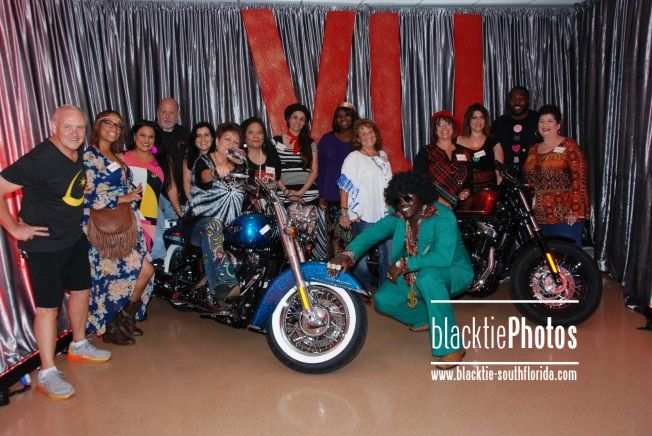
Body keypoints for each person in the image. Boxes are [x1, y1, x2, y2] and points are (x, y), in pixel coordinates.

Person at [0, 105, 111, 400]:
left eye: (80, 127)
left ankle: (78, 344)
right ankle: (47, 372)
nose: (75, 133)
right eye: (67, 127)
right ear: (54, 128)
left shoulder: (76, 152)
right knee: (48, 309)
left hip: (73, 238)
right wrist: (15, 228)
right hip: (46, 246)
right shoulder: (40, 159)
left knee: (81, 292)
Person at [328, 171, 473, 369]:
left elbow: (442, 257)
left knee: (428, 279)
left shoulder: (442, 216)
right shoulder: (399, 217)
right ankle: (426, 318)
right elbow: (372, 233)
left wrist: (404, 265)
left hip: (451, 271)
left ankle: (452, 347)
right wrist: (348, 254)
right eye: (398, 200)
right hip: (413, 273)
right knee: (383, 300)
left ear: (422, 195)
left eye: (408, 198)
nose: (403, 204)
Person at [84, 110, 155, 345]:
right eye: (108, 123)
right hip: (105, 228)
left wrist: (131, 192)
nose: (114, 128)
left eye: (118, 125)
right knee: (112, 277)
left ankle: (126, 316)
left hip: (126, 223)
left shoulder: (114, 155)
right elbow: (87, 196)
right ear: (97, 125)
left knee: (146, 270)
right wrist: (122, 198)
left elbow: (117, 186)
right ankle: (111, 326)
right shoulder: (90, 157)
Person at [186, 122, 246, 301]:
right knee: (213, 226)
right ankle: (224, 284)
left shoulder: (241, 166)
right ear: (217, 141)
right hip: (200, 223)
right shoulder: (203, 161)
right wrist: (215, 172)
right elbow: (203, 176)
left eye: (236, 142)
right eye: (227, 139)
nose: (231, 144)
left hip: (229, 225)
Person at [337, 118, 393, 288]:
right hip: (363, 214)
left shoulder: (382, 155)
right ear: (358, 138)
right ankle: (362, 289)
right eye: (363, 133)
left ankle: (385, 290)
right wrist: (344, 213)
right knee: (360, 257)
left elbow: (389, 183)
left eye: (370, 132)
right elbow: (344, 186)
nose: (368, 136)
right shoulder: (353, 157)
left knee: (389, 255)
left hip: (386, 214)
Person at [522, 104, 589, 246]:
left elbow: (579, 179)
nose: (545, 125)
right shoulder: (533, 149)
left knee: (565, 256)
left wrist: (575, 209)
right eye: (541, 121)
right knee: (542, 257)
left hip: (565, 214)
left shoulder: (569, 146)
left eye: (550, 121)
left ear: (558, 125)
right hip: (539, 216)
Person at [273, 103, 327, 259]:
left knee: (309, 239)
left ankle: (310, 268)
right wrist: (286, 192)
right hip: (284, 194)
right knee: (287, 238)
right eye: (295, 117)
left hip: (308, 194)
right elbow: (272, 170)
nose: (298, 122)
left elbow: (314, 171)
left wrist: (300, 193)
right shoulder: (275, 141)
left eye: (302, 119)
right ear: (288, 119)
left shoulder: (310, 143)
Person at [121, 120, 175, 250]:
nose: (147, 140)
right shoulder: (122, 157)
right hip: (128, 213)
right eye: (142, 135)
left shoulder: (162, 159)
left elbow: (171, 186)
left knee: (151, 249)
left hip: (151, 212)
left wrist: (178, 211)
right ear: (135, 136)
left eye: (151, 136)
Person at [316, 102, 359, 256]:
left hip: (357, 199)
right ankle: (335, 269)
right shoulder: (327, 139)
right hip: (333, 196)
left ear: (353, 117)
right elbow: (321, 168)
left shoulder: (360, 138)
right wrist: (321, 194)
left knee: (356, 242)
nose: (343, 119)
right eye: (339, 116)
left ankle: (355, 271)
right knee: (335, 240)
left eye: (347, 115)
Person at [151, 97, 190, 261]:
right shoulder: (149, 133)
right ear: (157, 112)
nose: (167, 117)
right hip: (156, 195)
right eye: (163, 112)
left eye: (171, 113)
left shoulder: (185, 134)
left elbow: (188, 168)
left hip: (181, 194)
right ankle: (159, 261)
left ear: (178, 114)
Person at [413, 110, 472, 207]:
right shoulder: (426, 151)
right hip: (435, 205)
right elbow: (420, 181)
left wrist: (466, 190)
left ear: (453, 127)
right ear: (435, 130)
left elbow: (470, 179)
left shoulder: (464, 151)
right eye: (439, 124)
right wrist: (441, 201)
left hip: (462, 205)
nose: (444, 127)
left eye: (448, 123)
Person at [490, 86, 539, 173]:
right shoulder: (498, 123)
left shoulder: (539, 120)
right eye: (513, 99)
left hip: (534, 174)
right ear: (508, 101)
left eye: (521, 98)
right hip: (506, 176)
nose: (517, 102)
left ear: (528, 100)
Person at [457, 103, 505, 192]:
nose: (478, 121)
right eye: (474, 117)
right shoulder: (457, 142)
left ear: (485, 120)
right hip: (463, 194)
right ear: (468, 120)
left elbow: (499, 174)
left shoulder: (494, 143)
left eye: (481, 117)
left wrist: (499, 193)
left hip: (488, 194)